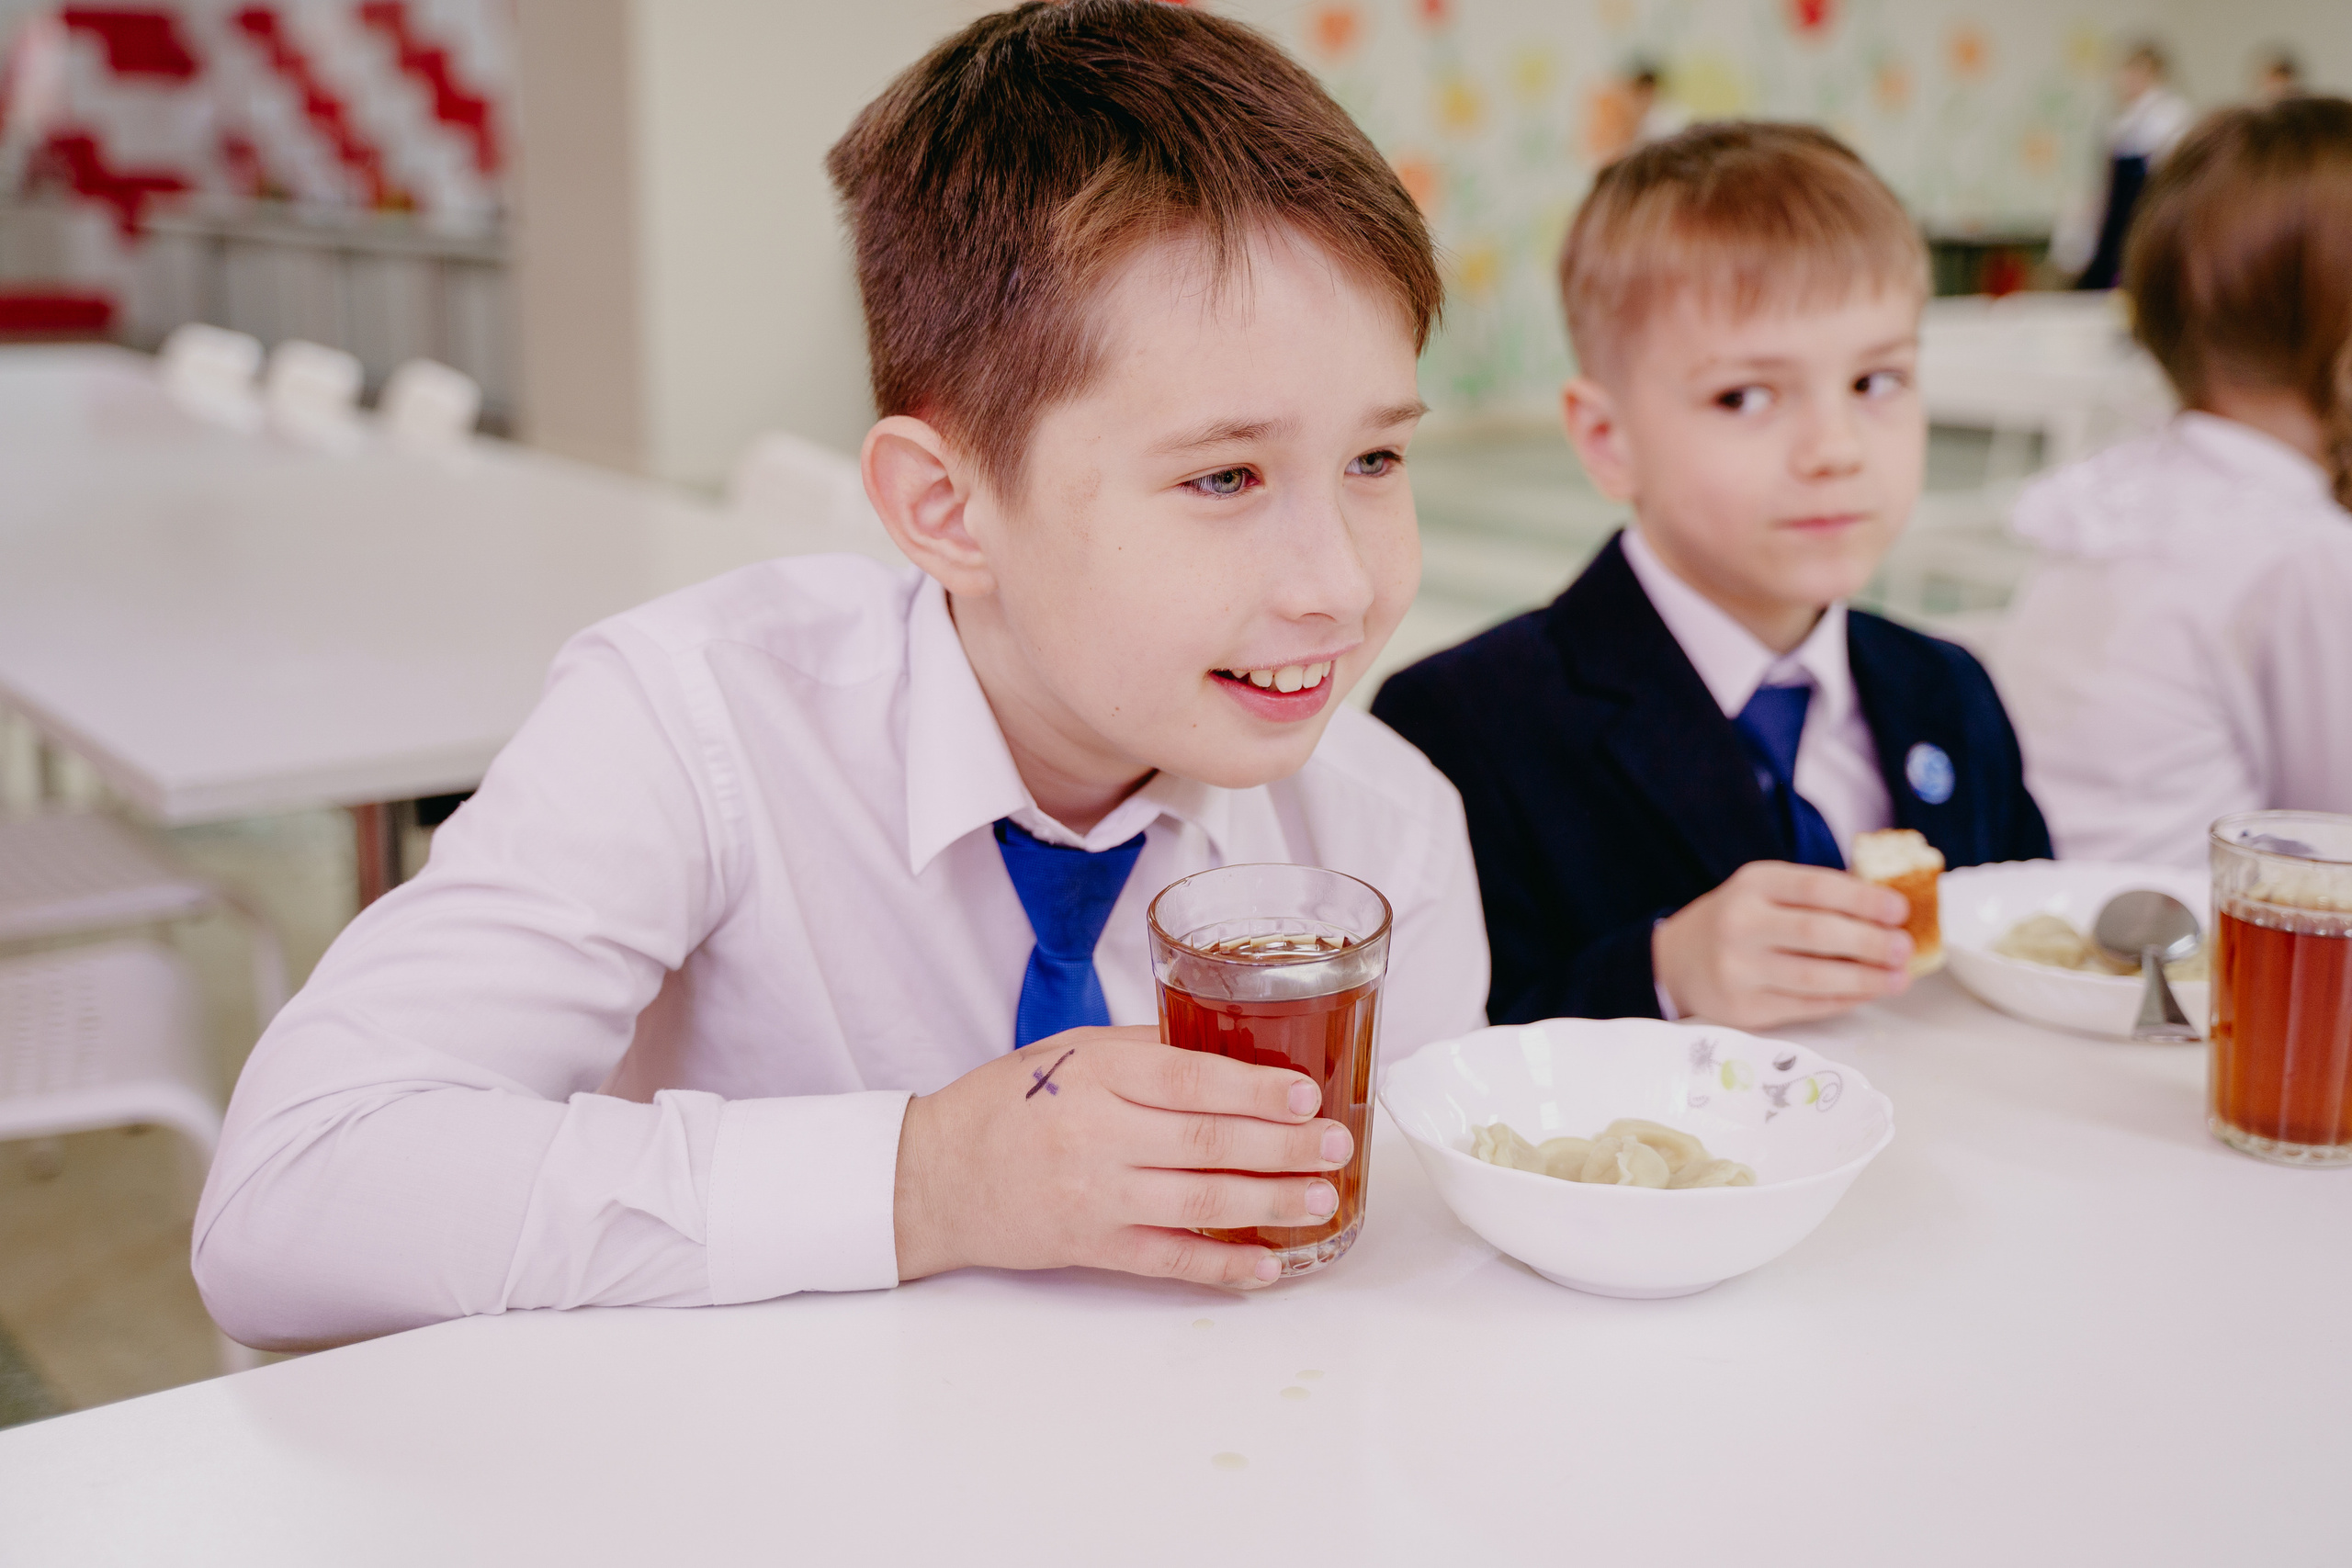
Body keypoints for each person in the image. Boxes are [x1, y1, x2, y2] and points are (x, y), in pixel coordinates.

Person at [191, 0, 1487, 1351]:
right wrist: (927, 1175)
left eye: (1376, 461)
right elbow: (283, 1204)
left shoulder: (1384, 829)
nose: (1338, 585)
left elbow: (1399, 1306)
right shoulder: (696, 722)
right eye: (1226, 475)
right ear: (944, 507)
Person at [1373, 124, 2050, 1030]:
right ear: (1608, 441)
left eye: (1877, 381)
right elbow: (1425, 1065)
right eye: (1746, 396)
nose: (1835, 450)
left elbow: (2026, 950)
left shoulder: (1948, 691)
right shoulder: (1466, 726)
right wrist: (1659, 978)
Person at [1999, 97, 2352, 870]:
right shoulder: (2303, 551)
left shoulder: (2124, 490)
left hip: (2039, 921)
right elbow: (2335, 842)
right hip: (2173, 961)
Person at [2065, 41, 2194, 291]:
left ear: (2150, 73)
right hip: (2118, 225)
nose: (2122, 80)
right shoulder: (2121, 121)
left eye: (2130, 72)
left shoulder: (2172, 116)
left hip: (2147, 217)